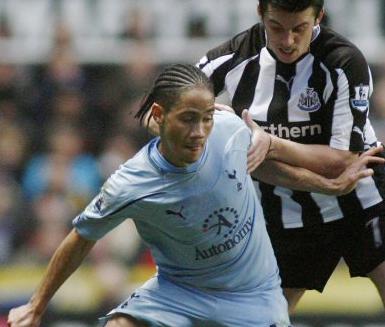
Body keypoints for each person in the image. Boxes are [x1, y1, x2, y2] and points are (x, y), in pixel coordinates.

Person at [7, 63, 383, 327]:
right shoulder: (130, 183)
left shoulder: (229, 128)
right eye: (188, 118)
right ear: (160, 115)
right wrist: (37, 306)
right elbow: (80, 238)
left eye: (205, 117)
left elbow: (262, 164)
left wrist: (328, 185)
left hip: (253, 296)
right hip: (178, 290)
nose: (201, 130)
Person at [197, 0, 385, 314]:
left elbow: (341, 160)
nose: (288, 41)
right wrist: (205, 127)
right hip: (289, 212)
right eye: (276, 27)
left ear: (319, 17)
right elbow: (156, 111)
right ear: (261, 13)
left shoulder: (344, 61)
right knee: (261, 321)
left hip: (363, 197)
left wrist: (269, 143)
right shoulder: (231, 57)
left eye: (300, 28)